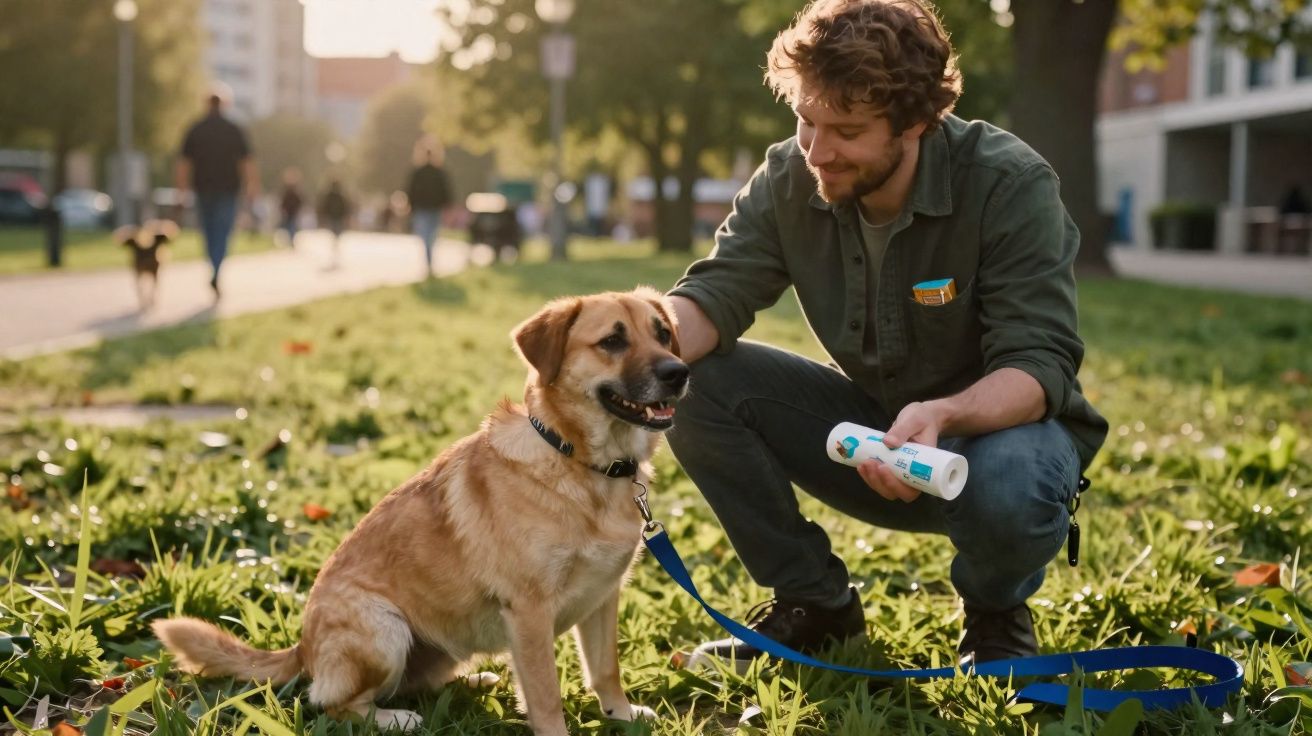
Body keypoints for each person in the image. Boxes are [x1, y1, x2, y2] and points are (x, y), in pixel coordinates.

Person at [666, 0, 1109, 671]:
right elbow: (713, 296)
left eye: (846, 130)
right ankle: (817, 606)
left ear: (918, 122)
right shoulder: (790, 174)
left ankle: (995, 615)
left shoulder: (1008, 183)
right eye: (806, 120)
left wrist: (943, 415)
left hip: (993, 445)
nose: (817, 151)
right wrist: (628, 354)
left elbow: (1037, 365)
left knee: (1013, 480)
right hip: (868, 434)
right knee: (688, 380)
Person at [176, 87, 258, 299]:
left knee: (208, 231)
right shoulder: (234, 129)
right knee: (223, 231)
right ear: (225, 105)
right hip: (228, 190)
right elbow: (247, 162)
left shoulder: (196, 129)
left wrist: (182, 190)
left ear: (206, 104)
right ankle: (217, 267)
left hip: (203, 189)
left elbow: (184, 164)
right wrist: (251, 187)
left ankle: (213, 265)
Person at [406, 137, 453, 276]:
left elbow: (445, 192)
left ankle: (429, 260)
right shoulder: (425, 173)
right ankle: (429, 261)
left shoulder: (428, 173)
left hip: (430, 209)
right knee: (428, 236)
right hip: (426, 209)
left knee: (427, 236)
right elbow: (411, 192)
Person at [317, 178, 352, 268]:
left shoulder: (335, 195)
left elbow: (345, 207)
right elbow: (346, 207)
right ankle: (335, 241)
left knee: (335, 232)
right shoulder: (338, 195)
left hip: (335, 217)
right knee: (336, 232)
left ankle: (335, 242)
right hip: (335, 217)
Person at [278, 168, 305, 248]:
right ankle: (291, 239)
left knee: (291, 225)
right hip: (289, 212)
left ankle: (292, 239)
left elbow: (299, 201)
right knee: (290, 226)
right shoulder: (287, 192)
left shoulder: (294, 192)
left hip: (293, 212)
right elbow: (283, 202)